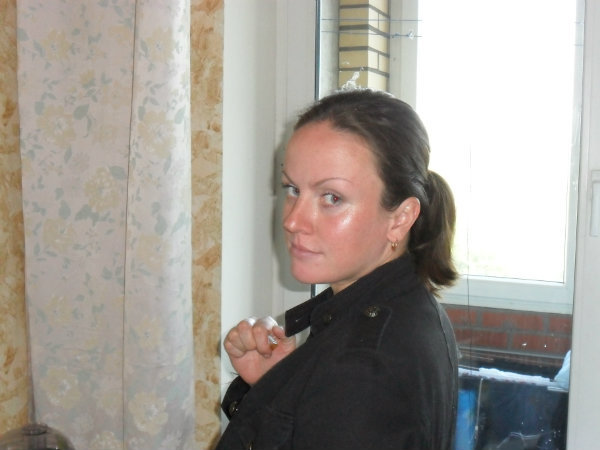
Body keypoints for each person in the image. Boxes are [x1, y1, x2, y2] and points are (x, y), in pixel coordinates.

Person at [216, 89, 459, 450]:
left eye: (332, 197)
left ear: (400, 218)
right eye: (292, 189)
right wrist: (280, 382)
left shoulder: (362, 370)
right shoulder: (404, 308)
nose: (293, 221)